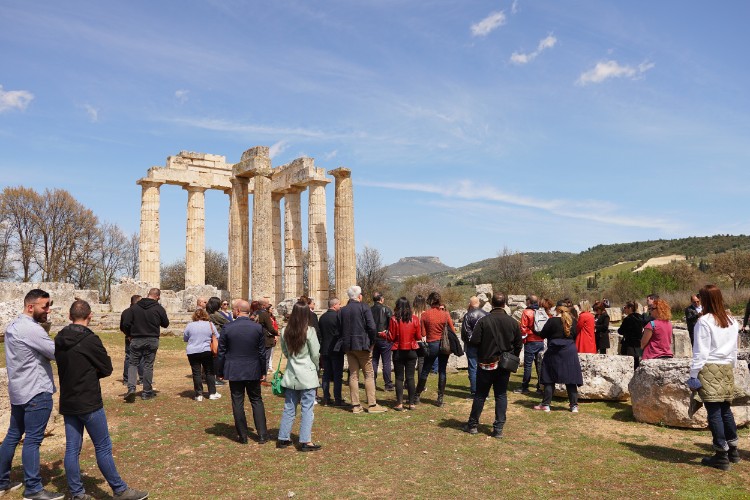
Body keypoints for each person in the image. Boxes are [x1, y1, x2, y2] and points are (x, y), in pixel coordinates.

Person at [55, 300, 148, 500]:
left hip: (69, 399)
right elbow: (106, 368)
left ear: (70, 316)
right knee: (103, 446)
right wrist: (92, 371)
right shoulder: (90, 340)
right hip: (88, 399)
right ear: (90, 316)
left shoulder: (59, 337)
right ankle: (119, 489)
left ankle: (77, 493)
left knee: (72, 448)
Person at [0, 289, 64, 500]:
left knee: (12, 436)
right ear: (30, 307)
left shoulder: (13, 326)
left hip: (19, 390)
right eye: (45, 306)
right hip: (36, 390)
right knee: (33, 440)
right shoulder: (31, 329)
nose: (48, 310)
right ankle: (34, 489)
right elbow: (55, 352)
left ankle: (1, 481)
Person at [689, 284, 740, 470]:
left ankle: (721, 454)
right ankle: (733, 450)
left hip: (709, 366)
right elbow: (734, 349)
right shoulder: (732, 321)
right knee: (725, 410)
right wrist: (731, 367)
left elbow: (701, 352)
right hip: (726, 368)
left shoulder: (704, 322)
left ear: (705, 300)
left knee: (714, 412)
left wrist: (693, 374)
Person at [462, 293, 522, 438]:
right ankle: (498, 429)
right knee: (501, 395)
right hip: (504, 365)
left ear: (492, 304)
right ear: (505, 304)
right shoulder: (513, 322)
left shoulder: (483, 322)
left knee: (480, 395)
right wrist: (512, 356)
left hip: (486, 363)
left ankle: (473, 425)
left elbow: (475, 341)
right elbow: (518, 344)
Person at [217, 300, 269, 444]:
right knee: (256, 400)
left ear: (238, 310)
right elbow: (262, 352)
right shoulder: (257, 328)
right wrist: (263, 371)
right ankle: (263, 434)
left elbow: (221, 352)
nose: (232, 311)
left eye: (234, 309)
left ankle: (242, 435)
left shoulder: (227, 328)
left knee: (237, 401)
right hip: (253, 368)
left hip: (235, 369)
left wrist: (220, 371)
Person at [277, 302, 322, 451]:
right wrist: (315, 367)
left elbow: (284, 351)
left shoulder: (284, 331)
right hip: (307, 373)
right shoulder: (309, 331)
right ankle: (305, 441)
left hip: (291, 373)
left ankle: (283, 437)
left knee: (289, 407)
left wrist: (292, 361)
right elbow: (315, 353)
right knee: (307, 408)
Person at [340, 285, 386, 414]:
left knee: (353, 375)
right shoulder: (364, 307)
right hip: (362, 345)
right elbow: (372, 327)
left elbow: (340, 328)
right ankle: (372, 405)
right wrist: (372, 342)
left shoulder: (343, 310)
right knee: (369, 374)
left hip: (349, 346)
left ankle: (355, 405)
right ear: (359, 296)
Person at [121, 288, 169, 402]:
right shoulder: (158, 308)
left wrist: (129, 334)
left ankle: (131, 389)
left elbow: (125, 323)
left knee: (133, 364)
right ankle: (147, 392)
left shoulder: (134, 308)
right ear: (157, 296)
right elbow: (166, 324)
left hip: (136, 338)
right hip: (152, 339)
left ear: (148, 294)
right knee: (148, 365)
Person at [534, 303, 583, 413]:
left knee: (549, 377)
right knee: (571, 379)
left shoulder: (552, 321)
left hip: (554, 350)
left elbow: (542, 334)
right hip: (569, 350)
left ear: (557, 310)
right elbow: (575, 335)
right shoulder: (573, 321)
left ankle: (546, 404)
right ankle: (574, 405)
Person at [416, 291, 456, 407]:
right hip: (444, 345)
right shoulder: (445, 314)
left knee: (425, 370)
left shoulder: (425, 315)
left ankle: (417, 395)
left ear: (430, 301)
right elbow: (452, 330)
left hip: (432, 344)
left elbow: (422, 332)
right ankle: (440, 398)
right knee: (442, 370)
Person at [385, 297, 422, 410]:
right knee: (410, 377)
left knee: (399, 378)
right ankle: (411, 403)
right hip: (411, 350)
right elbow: (419, 336)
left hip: (398, 350)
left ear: (397, 306)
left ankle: (400, 403)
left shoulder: (394, 319)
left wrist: (382, 334)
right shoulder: (415, 319)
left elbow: (391, 337)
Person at [183, 308, 220, 401]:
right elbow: (217, 336)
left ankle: (198, 394)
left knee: (196, 373)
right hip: (206, 350)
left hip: (192, 351)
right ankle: (212, 392)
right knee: (209, 371)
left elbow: (185, 338)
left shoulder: (190, 325)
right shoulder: (210, 324)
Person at [318, 298, 345, 406]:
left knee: (326, 374)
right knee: (338, 375)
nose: (340, 306)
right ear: (334, 305)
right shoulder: (338, 317)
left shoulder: (322, 317)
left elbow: (320, 334)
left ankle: (326, 398)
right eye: (339, 304)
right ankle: (338, 399)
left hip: (324, 349)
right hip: (336, 350)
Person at [515, 295, 544, 394]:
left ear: (529, 302)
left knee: (528, 365)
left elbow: (523, 328)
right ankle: (540, 387)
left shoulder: (526, 312)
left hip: (530, 341)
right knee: (539, 364)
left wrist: (525, 338)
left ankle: (525, 387)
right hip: (541, 341)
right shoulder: (541, 311)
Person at [461, 296, 487, 398]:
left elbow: (465, 333)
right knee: (484, 367)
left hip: (471, 345)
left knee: (472, 368)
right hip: (484, 345)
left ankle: (475, 392)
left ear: (470, 304)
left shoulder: (468, 315)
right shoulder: (486, 314)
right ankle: (484, 391)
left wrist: (468, 341)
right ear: (479, 303)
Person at [371, 292, 394, 391]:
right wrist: (387, 331)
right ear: (381, 299)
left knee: (374, 361)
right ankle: (388, 384)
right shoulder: (386, 309)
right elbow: (392, 323)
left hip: (373, 339)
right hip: (384, 338)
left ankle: (372, 382)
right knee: (386, 362)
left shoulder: (369, 310)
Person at [119, 294, 144, 386]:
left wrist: (127, 334)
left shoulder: (125, 312)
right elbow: (124, 325)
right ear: (137, 301)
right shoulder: (138, 312)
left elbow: (122, 327)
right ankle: (141, 379)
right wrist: (130, 335)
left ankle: (127, 379)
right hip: (136, 337)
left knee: (128, 358)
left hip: (129, 337)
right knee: (140, 357)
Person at [617, 301, 644, 369]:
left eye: (625, 307)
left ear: (630, 308)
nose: (624, 309)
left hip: (629, 344)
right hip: (638, 344)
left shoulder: (628, 319)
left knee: (628, 364)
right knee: (637, 363)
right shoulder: (640, 317)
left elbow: (620, 331)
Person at [256, 297, 279, 373]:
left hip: (256, 338)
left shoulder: (254, 313)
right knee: (265, 359)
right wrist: (276, 333)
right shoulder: (265, 314)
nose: (268, 305)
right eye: (267, 304)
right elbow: (270, 328)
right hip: (266, 339)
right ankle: (263, 377)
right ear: (263, 305)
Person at [412, 295, 428, 378]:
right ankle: (421, 384)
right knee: (421, 362)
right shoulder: (425, 314)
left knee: (411, 363)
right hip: (422, 339)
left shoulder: (411, 313)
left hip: (411, 340)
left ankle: (408, 383)